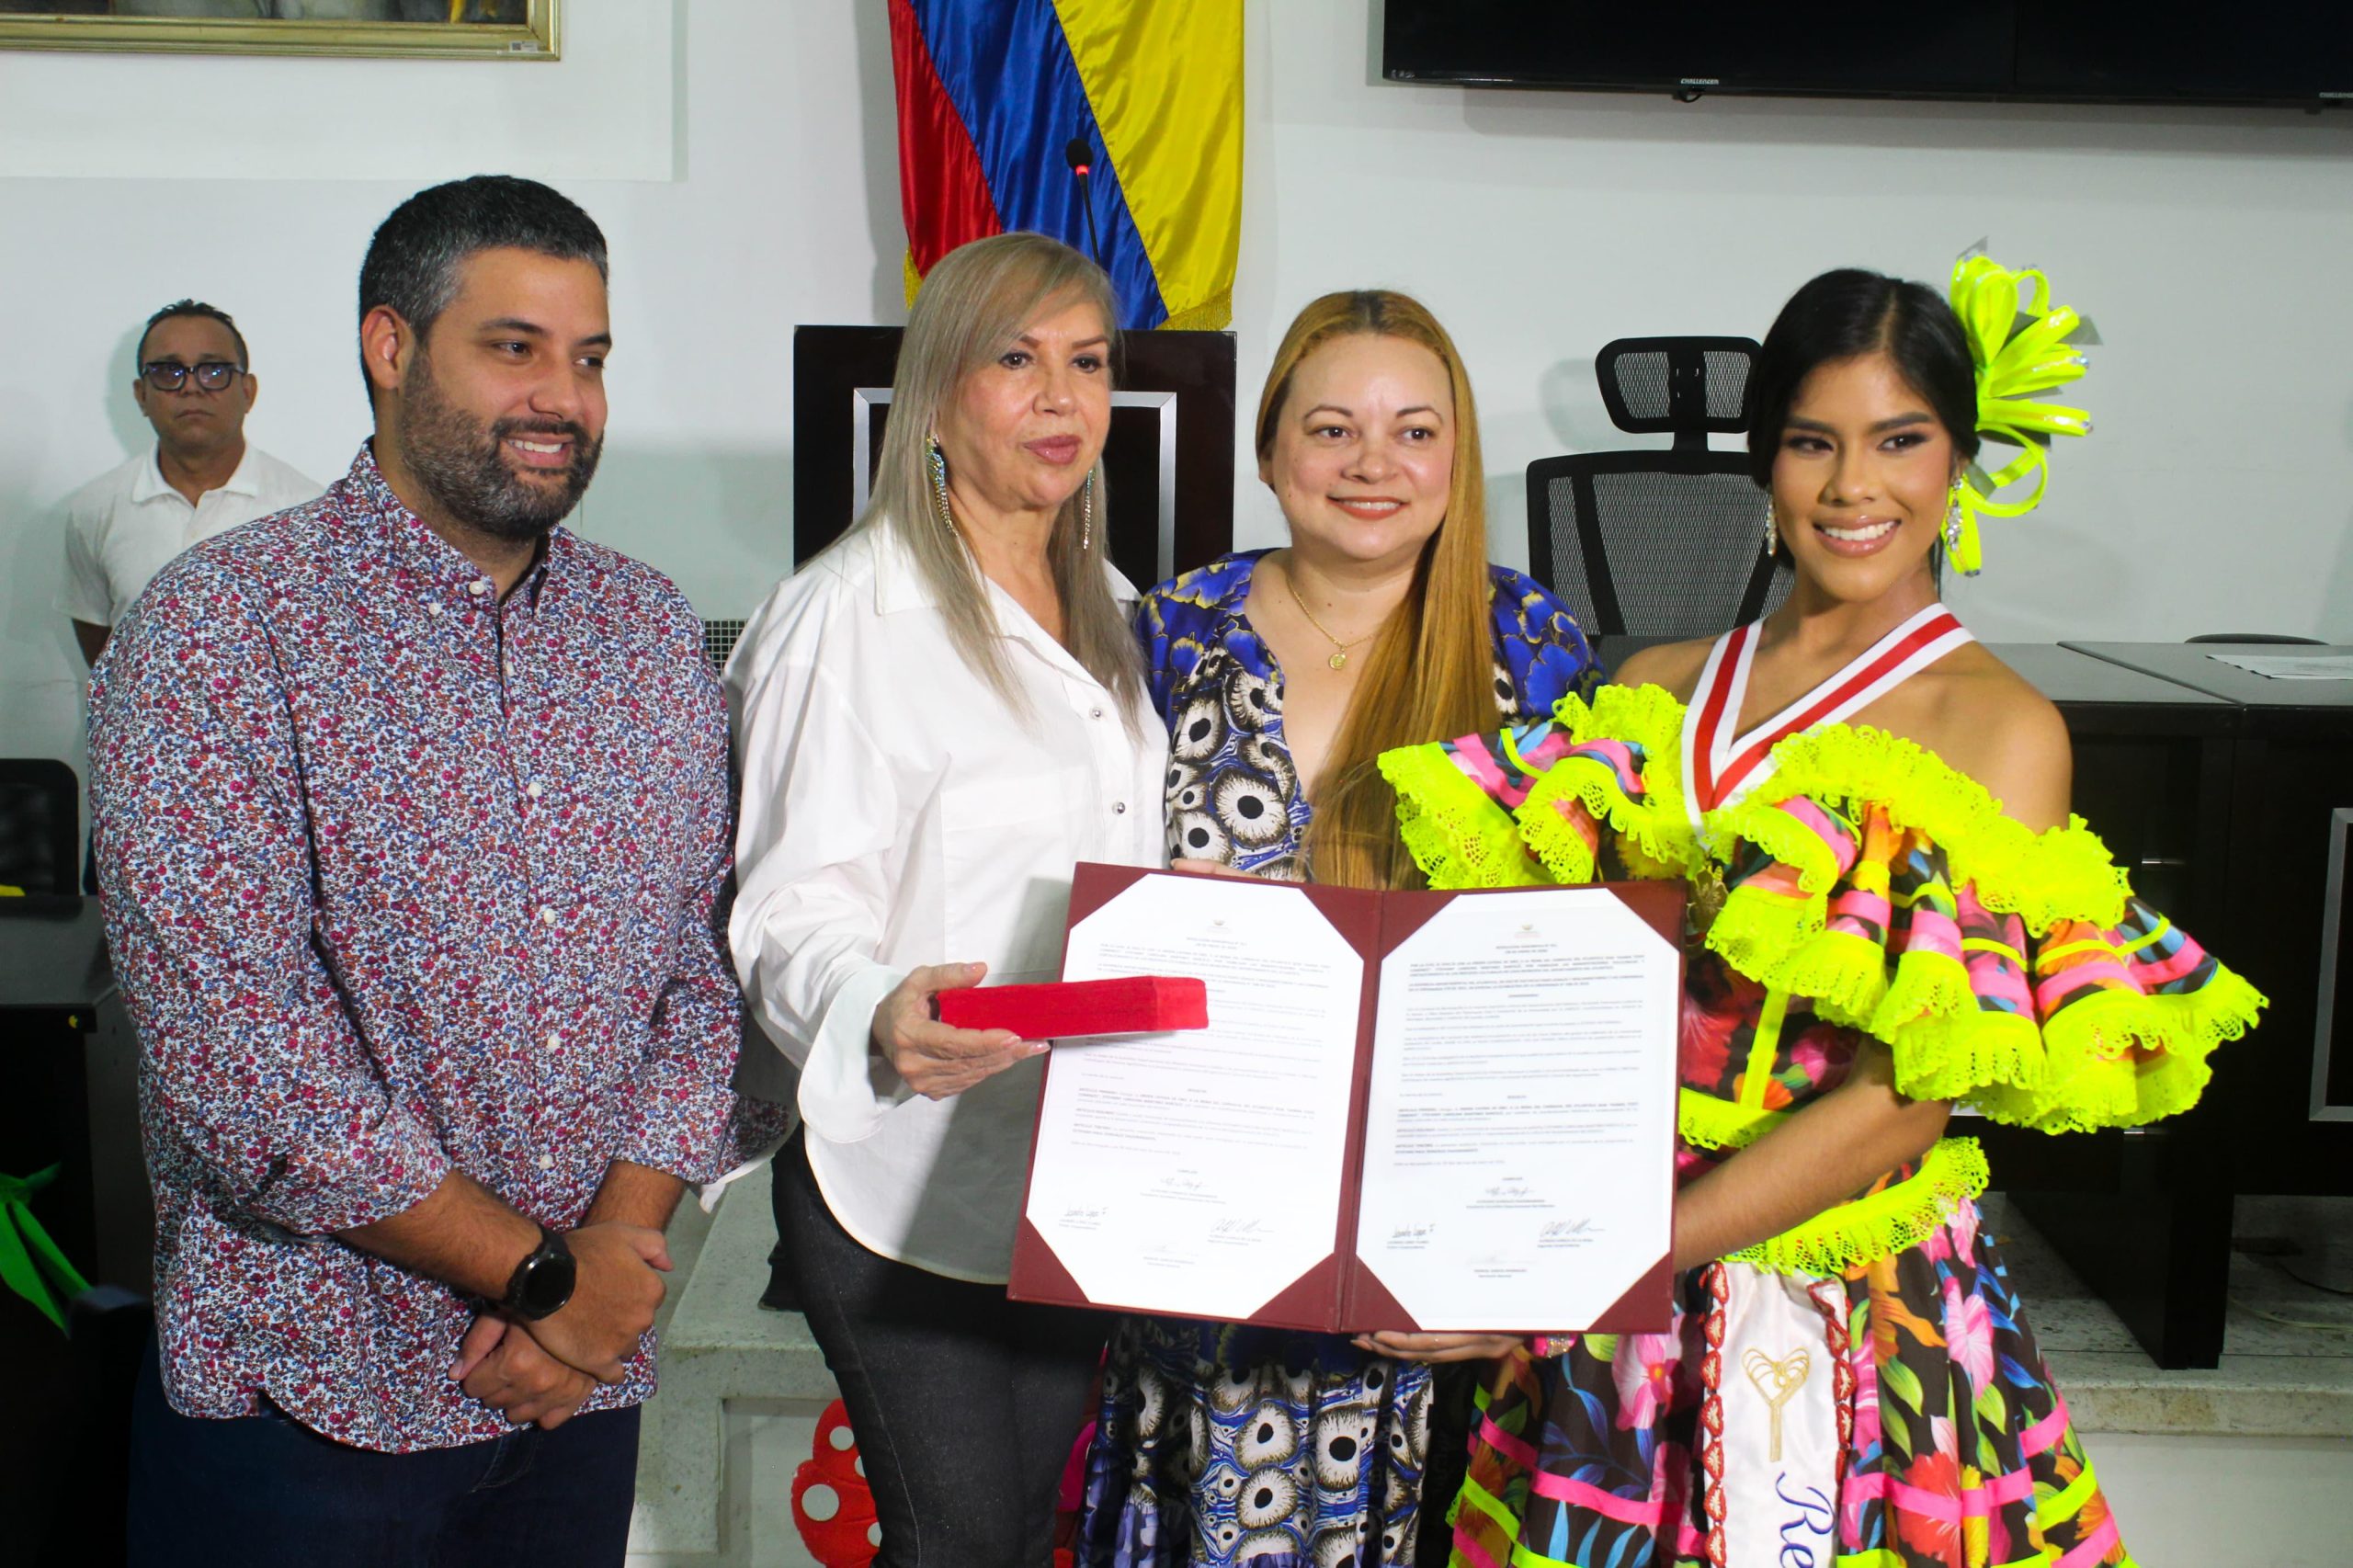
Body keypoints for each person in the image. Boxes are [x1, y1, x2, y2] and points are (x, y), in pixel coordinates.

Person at [1379, 261, 2266, 1568]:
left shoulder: (1999, 729)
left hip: (1850, 1317)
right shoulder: (1657, 686)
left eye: (1899, 440)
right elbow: (1565, 1006)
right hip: (1617, 1305)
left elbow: (1903, 1099)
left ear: (1961, 458)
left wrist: (1603, 1267)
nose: (1855, 488)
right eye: (1814, 442)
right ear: (1765, 465)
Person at [92, 175, 772, 1566]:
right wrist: (544, 1280)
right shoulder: (222, 632)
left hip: (569, 1402)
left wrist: (607, 1282)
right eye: (512, 346)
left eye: (589, 359)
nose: (562, 398)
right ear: (390, 348)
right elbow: (242, 1066)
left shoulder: (648, 635)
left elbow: (701, 989)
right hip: (306, 1406)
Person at [1080, 290, 1602, 1568]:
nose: (1374, 464)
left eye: (1414, 431)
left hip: (1439, 1244)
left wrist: (1517, 1270)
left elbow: (1582, 982)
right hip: (1205, 1226)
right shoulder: (1164, 631)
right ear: (1270, 452)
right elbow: (1091, 896)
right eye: (1333, 428)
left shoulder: (1530, 648)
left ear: (1456, 458)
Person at [727, 231, 1166, 1568]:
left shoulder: (1117, 603)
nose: (1060, 398)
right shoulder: (846, 616)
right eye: (1015, 359)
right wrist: (875, 1006)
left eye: (1086, 364)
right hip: (901, 1178)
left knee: (1027, 1531)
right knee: (955, 1539)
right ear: (936, 392)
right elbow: (784, 911)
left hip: (1068, 1171)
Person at [61, 299, 321, 666]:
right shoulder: (96, 509)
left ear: (248, 391)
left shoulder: (307, 512)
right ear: (141, 396)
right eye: (169, 372)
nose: (191, 388)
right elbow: (102, 654)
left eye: (214, 371)